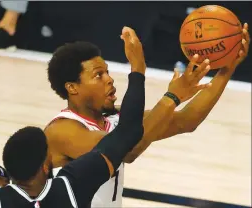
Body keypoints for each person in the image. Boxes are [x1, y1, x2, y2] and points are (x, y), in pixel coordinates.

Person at [44, 23, 249, 207]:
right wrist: (167, 93)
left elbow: (187, 120)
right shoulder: (63, 130)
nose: (109, 80)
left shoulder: (115, 120)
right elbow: (127, 150)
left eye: (107, 72)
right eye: (98, 75)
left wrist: (227, 69)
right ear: (72, 88)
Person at [0, 28, 148, 207]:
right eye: (99, 74)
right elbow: (128, 140)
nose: (109, 80)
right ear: (46, 167)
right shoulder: (66, 189)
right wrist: (139, 69)